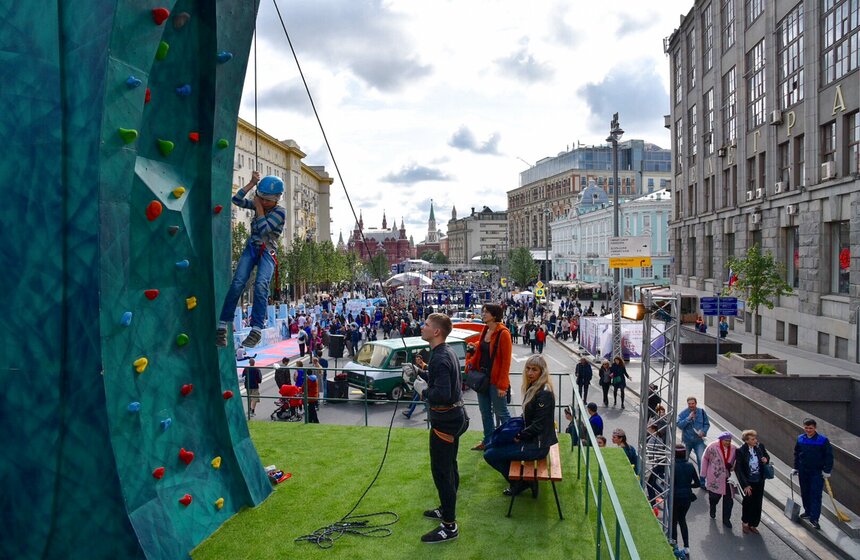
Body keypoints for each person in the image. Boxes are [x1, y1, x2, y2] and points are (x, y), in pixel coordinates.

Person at [414, 313, 469, 544]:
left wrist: (422, 390)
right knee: (450, 466)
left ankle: (449, 525)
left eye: (426, 324)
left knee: (442, 472)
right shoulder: (445, 352)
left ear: (436, 332)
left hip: (446, 422)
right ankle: (446, 508)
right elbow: (440, 380)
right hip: (456, 419)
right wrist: (420, 373)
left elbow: (442, 394)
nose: (422, 327)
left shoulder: (439, 357)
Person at [216, 172, 286, 348]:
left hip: (267, 251)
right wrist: (251, 184)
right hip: (251, 248)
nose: (262, 202)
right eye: (260, 199)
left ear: (276, 199)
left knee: (261, 285)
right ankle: (223, 325)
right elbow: (237, 200)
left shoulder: (280, 212)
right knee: (238, 282)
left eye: (266, 200)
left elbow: (264, 229)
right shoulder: (261, 205)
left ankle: (256, 329)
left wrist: (258, 207)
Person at [483, 355, 558, 497]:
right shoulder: (535, 387)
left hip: (538, 446)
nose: (530, 373)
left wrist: (519, 436)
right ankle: (523, 481)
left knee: (490, 455)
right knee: (491, 446)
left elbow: (538, 425)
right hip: (532, 440)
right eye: (528, 369)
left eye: (534, 370)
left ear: (542, 372)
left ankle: (522, 482)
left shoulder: (544, 393)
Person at [468, 304, 513, 452]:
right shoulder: (486, 329)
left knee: (502, 412)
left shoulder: (503, 333)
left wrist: (502, 385)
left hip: (496, 381)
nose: (483, 314)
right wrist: (474, 345)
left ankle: (511, 442)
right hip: (483, 378)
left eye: (486, 312)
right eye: (483, 311)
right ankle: (488, 441)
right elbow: (484, 347)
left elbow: (506, 361)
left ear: (494, 315)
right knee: (485, 412)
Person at [793, 418, 834, 530]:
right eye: (806, 428)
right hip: (803, 471)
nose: (808, 430)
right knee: (805, 492)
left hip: (817, 472)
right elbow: (797, 453)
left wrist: (827, 470)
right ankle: (808, 511)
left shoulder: (823, 440)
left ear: (815, 428)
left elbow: (829, 456)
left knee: (815, 495)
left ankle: (814, 519)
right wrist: (796, 468)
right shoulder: (800, 438)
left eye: (810, 428)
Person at [736, 429, 771, 534]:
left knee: (757, 502)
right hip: (749, 481)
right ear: (746, 441)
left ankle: (753, 524)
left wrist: (766, 460)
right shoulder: (741, 451)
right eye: (752, 439)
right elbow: (739, 469)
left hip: (759, 480)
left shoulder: (760, 447)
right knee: (748, 502)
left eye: (755, 438)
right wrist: (745, 485)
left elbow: (767, 457)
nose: (755, 441)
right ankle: (745, 522)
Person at [701, 431, 737, 528]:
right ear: (721, 440)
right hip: (715, 476)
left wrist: (734, 467)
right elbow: (705, 459)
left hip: (729, 478)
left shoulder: (734, 448)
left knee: (729, 500)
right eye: (726, 441)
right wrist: (703, 474)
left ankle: (726, 519)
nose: (728, 443)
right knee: (714, 497)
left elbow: (737, 461)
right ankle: (713, 507)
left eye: (729, 441)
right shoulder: (712, 446)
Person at [672, 444, 700, 558]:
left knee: (673, 521)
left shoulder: (672, 466)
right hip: (687, 498)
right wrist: (688, 486)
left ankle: (674, 546)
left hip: (675, 497)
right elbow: (698, 483)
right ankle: (686, 547)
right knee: (682, 520)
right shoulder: (690, 465)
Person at [677, 396, 710, 485]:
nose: (691, 405)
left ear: (696, 403)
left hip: (698, 441)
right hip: (687, 441)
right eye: (689, 404)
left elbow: (707, 424)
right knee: (684, 460)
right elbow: (679, 425)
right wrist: (688, 418)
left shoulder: (702, 412)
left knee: (701, 460)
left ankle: (702, 482)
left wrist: (703, 431)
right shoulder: (683, 413)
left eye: (693, 403)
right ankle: (684, 481)